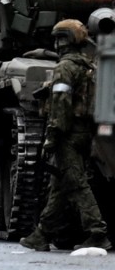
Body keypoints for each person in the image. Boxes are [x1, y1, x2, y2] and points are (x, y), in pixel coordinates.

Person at [20, 19, 111, 253]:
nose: (58, 43)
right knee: (60, 185)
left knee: (76, 183)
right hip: (84, 133)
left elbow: (61, 104)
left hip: (67, 134)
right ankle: (41, 234)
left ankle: (97, 232)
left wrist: (52, 135)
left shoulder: (64, 68)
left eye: (60, 39)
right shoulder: (87, 65)